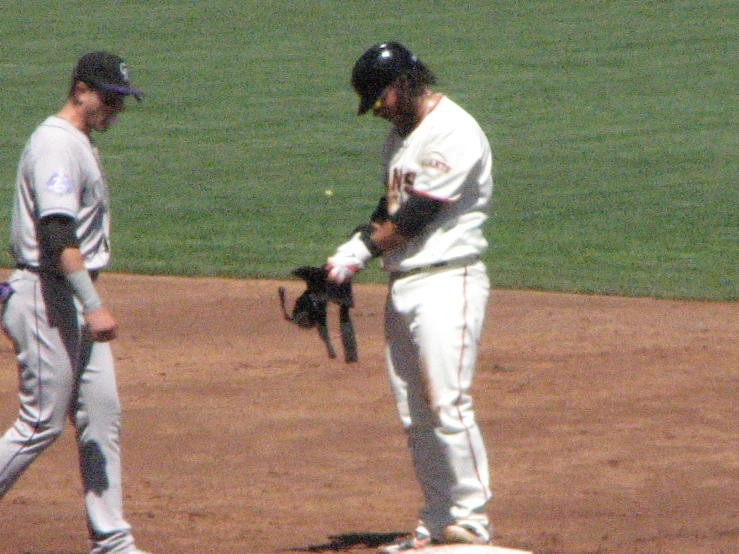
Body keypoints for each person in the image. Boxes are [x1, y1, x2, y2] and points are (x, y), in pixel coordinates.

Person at [325, 42, 495, 552]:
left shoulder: (454, 131)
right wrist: (350, 250)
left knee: (448, 403)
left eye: (381, 98)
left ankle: (472, 522)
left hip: (448, 282)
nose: (379, 109)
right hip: (406, 284)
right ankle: (437, 521)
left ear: (405, 82)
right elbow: (390, 206)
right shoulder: (402, 137)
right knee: (416, 414)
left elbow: (416, 216)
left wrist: (358, 256)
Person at [0, 51, 152, 554]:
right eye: (109, 98)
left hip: (66, 293)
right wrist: (91, 302)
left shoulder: (76, 142)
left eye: (122, 101)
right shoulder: (55, 144)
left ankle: (112, 542)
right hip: (48, 294)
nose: (116, 109)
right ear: (80, 89)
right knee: (41, 422)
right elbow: (56, 230)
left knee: (102, 412)